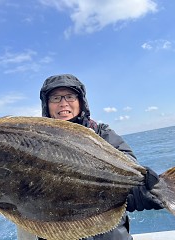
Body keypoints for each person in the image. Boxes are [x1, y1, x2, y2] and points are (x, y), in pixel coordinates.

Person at [17, 74, 163, 240]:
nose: (63, 103)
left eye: (70, 96)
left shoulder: (102, 133)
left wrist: (144, 191)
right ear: (47, 105)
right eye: (55, 98)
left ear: (81, 101)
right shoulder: (33, 142)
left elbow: (128, 167)